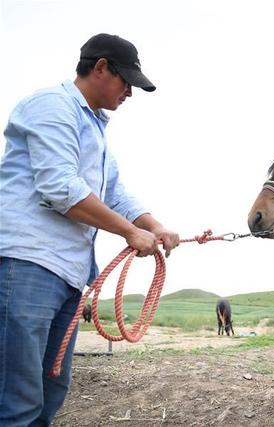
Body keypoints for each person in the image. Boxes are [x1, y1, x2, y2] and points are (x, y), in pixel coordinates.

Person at [0, 33, 180, 426]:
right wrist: (130, 234)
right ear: (100, 67)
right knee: (18, 397)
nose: (130, 92)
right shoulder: (52, 107)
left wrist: (154, 225)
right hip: (27, 263)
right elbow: (59, 187)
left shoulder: (95, 132)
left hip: (66, 274)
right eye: (126, 81)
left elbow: (113, 193)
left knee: (51, 390)